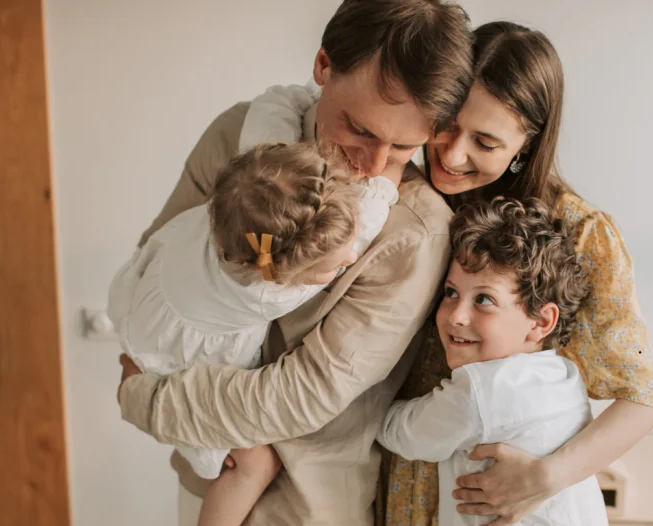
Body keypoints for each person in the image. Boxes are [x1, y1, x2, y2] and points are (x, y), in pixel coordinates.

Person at [114, 1, 475, 524]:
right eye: (360, 129)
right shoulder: (235, 136)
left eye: (403, 147)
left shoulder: (415, 233)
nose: (373, 165)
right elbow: (159, 261)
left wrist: (144, 398)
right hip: (202, 476)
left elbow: (304, 394)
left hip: (306, 507)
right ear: (324, 64)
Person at [382, 21, 653, 525]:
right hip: (396, 481)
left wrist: (545, 478)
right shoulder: (406, 195)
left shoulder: (581, 235)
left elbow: (641, 402)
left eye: (485, 142)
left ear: (526, 145)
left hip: (493, 499)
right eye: (447, 123)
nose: (452, 153)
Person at [108, 140, 404, 526]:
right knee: (255, 462)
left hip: (144, 313)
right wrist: (390, 174)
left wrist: (288, 106)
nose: (350, 258)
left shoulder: (233, 205)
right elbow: (365, 230)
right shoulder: (266, 291)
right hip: (169, 359)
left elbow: (268, 122)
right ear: (283, 272)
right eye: (333, 268)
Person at [377, 196, 608, 526]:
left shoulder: (483, 389)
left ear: (541, 322)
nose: (456, 315)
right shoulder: (563, 375)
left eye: (483, 299)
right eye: (451, 292)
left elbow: (404, 434)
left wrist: (371, 398)